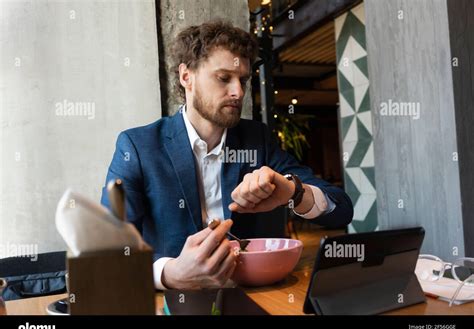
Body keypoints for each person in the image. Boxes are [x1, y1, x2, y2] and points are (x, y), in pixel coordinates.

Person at [101, 20, 353, 290]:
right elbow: (107, 251)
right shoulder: (138, 147)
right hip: (176, 303)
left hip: (258, 299)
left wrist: (293, 192)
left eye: (243, 80)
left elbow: (341, 210)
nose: (239, 92)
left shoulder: (258, 139)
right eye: (224, 78)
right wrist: (170, 274)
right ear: (186, 76)